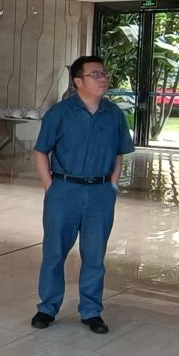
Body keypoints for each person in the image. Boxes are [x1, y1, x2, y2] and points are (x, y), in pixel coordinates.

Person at [30, 55, 135, 335]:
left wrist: (112, 185)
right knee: (54, 252)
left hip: (100, 193)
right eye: (95, 74)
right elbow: (41, 151)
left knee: (94, 255)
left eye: (104, 73)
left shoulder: (114, 114)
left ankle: (91, 310)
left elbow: (119, 153)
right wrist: (50, 186)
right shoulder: (60, 113)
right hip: (64, 191)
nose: (103, 78)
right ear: (78, 81)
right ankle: (47, 307)